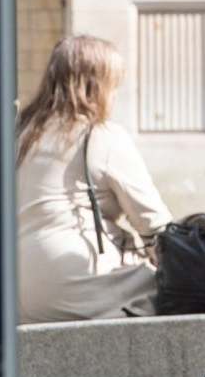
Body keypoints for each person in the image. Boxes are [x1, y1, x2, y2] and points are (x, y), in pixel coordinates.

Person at [15, 36, 174, 323]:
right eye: (113, 87)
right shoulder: (100, 136)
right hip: (73, 284)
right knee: (183, 292)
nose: (114, 97)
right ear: (96, 87)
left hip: (14, 292)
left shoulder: (20, 135)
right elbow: (156, 226)